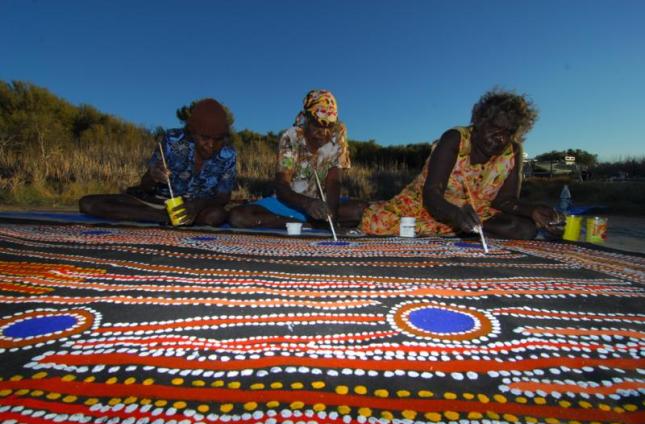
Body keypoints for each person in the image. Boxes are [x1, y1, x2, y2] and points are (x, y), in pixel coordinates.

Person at [360, 89, 561, 239]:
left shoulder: (513, 152)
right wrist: (455, 215)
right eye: (494, 128)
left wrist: (531, 210)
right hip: (428, 206)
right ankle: (363, 208)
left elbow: (505, 201)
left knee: (526, 229)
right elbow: (432, 193)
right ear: (479, 121)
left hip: (475, 214)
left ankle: (464, 232)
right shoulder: (454, 139)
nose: (499, 138)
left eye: (507, 132)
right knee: (377, 222)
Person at [79, 98, 236, 226]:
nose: (212, 145)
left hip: (197, 208)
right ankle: (163, 218)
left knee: (215, 216)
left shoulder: (228, 155)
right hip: (158, 203)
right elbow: (145, 185)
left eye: (218, 139)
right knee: (88, 203)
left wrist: (197, 205)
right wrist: (154, 176)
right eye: (205, 138)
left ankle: (170, 218)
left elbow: (223, 197)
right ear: (193, 134)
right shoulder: (172, 141)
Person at [229, 90, 366, 229]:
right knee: (239, 216)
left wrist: (332, 217)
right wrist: (308, 204)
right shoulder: (290, 138)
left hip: (323, 205)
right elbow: (282, 186)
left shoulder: (337, 135)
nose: (323, 133)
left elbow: (334, 182)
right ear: (306, 118)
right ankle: (305, 225)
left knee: (362, 210)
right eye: (317, 125)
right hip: (289, 204)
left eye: (328, 126)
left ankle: (310, 224)